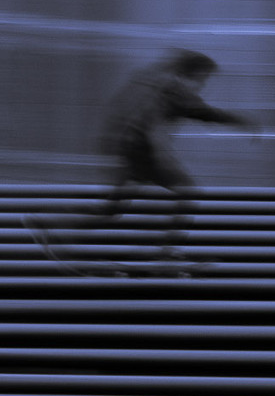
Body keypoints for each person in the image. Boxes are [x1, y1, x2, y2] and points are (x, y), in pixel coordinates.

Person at [36, 49, 258, 260]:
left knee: (110, 210)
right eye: (203, 78)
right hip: (145, 151)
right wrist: (242, 121)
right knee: (188, 193)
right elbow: (203, 113)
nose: (203, 85)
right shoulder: (176, 88)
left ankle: (52, 220)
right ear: (192, 74)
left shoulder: (157, 82)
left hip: (129, 150)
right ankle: (165, 251)